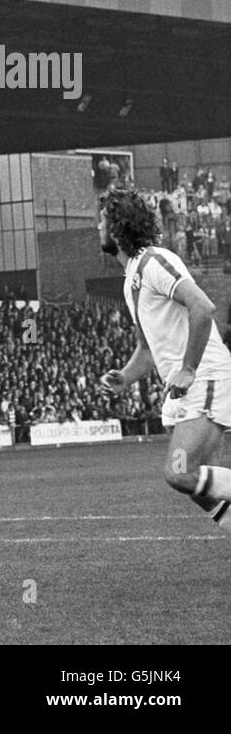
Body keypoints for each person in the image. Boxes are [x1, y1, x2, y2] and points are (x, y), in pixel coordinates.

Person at [95, 188, 231, 529]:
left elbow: (203, 307)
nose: (96, 227)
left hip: (205, 376)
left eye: (100, 220)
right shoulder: (131, 282)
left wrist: (188, 368)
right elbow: (146, 349)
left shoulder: (155, 260)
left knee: (179, 472)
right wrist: (125, 377)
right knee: (203, 487)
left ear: (115, 227)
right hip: (187, 388)